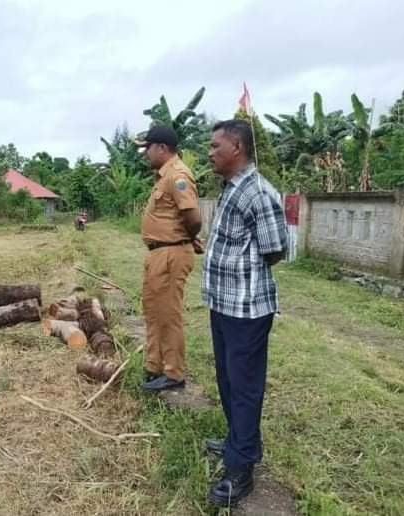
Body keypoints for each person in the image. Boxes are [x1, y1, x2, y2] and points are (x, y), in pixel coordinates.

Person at [202, 119, 287, 507]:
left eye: (215, 145)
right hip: (224, 304)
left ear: (236, 147)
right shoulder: (230, 188)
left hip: (247, 309)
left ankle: (242, 468)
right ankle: (237, 441)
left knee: (245, 387)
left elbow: (276, 249)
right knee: (228, 381)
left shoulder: (259, 192)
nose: (209, 152)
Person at [134, 123, 202, 392]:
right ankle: (155, 366)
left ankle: (173, 373)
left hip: (171, 254)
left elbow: (193, 217)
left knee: (168, 314)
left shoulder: (178, 176)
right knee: (153, 312)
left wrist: (185, 237)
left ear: (162, 147)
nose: (145, 153)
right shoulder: (164, 176)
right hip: (159, 253)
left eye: (147, 148)